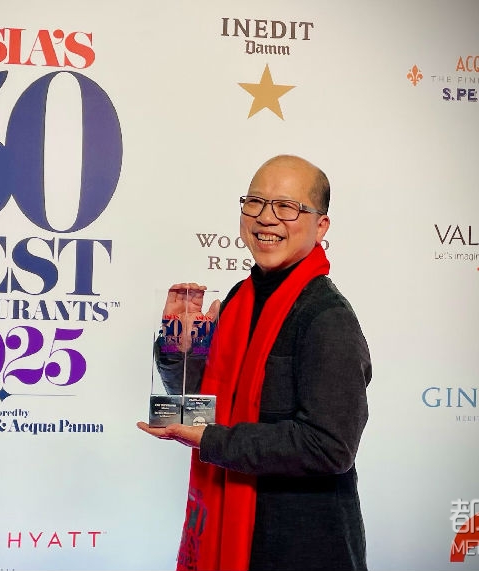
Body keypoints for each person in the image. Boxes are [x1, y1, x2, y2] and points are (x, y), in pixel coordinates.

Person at [138, 154, 371, 571]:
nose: (266, 217)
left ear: (321, 226)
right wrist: (180, 348)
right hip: (230, 527)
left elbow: (329, 447)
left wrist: (213, 441)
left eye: (287, 207)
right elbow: (201, 404)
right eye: (256, 202)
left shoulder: (326, 316)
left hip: (300, 547)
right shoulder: (238, 300)